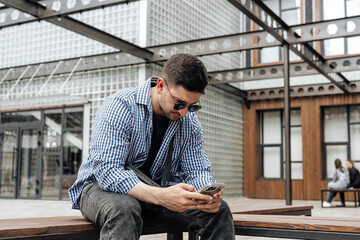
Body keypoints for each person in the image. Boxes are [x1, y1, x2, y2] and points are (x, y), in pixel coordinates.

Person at [68, 53, 235, 239]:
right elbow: (107, 171)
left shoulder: (189, 122)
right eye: (179, 104)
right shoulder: (120, 106)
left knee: (219, 212)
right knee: (124, 209)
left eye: (192, 106)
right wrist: (161, 196)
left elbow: (196, 169)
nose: (185, 113)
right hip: (100, 188)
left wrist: (207, 194)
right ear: (161, 86)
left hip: (154, 193)